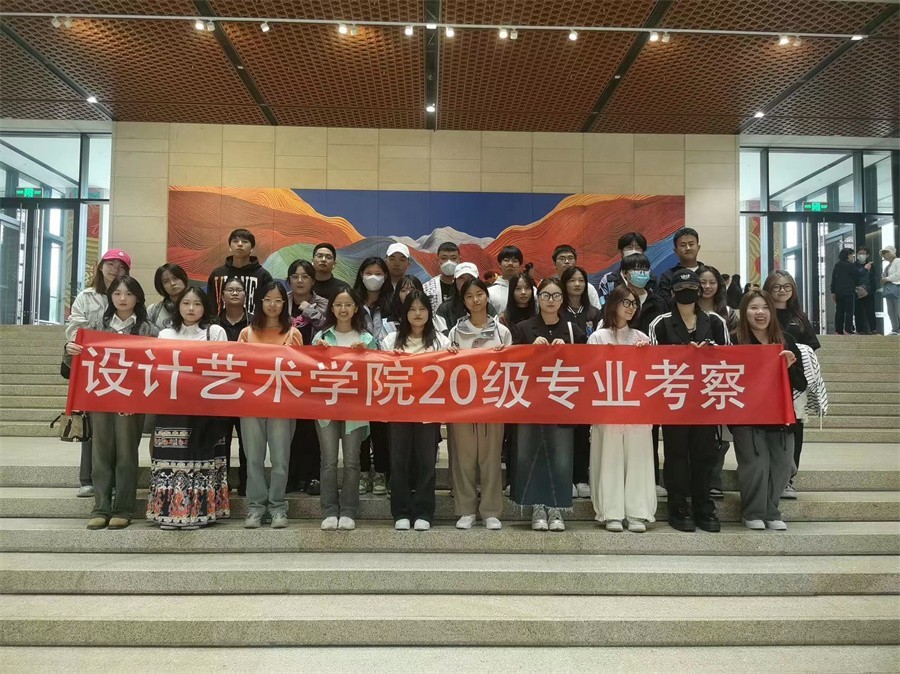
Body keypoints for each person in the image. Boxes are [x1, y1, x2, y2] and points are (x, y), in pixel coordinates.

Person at [64, 276, 158, 530]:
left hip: (132, 401)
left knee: (127, 454)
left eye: (128, 294)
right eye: (117, 293)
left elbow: (156, 368)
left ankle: (123, 508)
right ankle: (100, 507)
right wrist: (69, 350)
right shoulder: (97, 325)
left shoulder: (148, 329)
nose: (122, 298)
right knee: (100, 453)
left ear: (137, 298)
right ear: (110, 297)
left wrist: (141, 399)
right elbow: (74, 365)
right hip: (100, 397)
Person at [649, 269, 731, 533]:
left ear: (700, 291)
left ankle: (703, 505)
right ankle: (678, 506)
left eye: (692, 288)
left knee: (704, 455)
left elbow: (730, 358)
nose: (687, 293)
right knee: (675, 454)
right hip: (674, 401)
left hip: (706, 400)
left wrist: (709, 353)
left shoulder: (715, 321)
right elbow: (652, 360)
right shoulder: (660, 323)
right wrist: (682, 353)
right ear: (673, 292)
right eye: (681, 289)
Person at [147, 286, 230, 530]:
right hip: (172, 407)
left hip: (206, 407)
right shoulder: (165, 334)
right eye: (186, 303)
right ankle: (168, 514)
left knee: (201, 456)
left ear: (205, 307)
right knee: (170, 458)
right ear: (178, 306)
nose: (191, 308)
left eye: (197, 304)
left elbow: (224, 367)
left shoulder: (215, 332)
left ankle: (199, 513)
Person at [509, 277, 584, 532]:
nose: (551, 301)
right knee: (530, 454)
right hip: (530, 402)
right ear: (537, 298)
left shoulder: (574, 330)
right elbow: (511, 364)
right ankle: (537, 507)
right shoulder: (523, 328)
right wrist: (529, 350)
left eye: (556, 296)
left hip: (562, 402)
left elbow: (586, 365)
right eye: (545, 295)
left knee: (561, 457)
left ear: (563, 299)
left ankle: (556, 507)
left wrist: (570, 350)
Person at [731, 290, 807, 531]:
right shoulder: (734, 341)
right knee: (755, 465)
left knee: (782, 465)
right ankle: (752, 512)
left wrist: (790, 366)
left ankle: (771, 510)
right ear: (744, 312)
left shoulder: (786, 340)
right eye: (754, 308)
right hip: (747, 416)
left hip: (780, 416)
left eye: (765, 308)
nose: (760, 313)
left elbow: (801, 383)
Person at [587, 285, 657, 532]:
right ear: (613, 304)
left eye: (634, 304)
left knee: (638, 458)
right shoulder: (598, 337)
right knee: (609, 458)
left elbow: (652, 374)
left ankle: (637, 512)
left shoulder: (641, 338)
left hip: (636, 408)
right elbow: (590, 372)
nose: (630, 308)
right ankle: (612, 512)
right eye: (626, 302)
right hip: (608, 407)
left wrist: (645, 355)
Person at [381, 290, 450, 531]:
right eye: (412, 309)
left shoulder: (441, 342)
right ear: (404, 313)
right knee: (398, 461)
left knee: (426, 462)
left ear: (429, 312)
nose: (417, 314)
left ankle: (424, 511)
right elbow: (379, 372)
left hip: (428, 412)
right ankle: (401, 511)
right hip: (398, 410)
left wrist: (453, 357)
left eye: (422, 309)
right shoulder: (391, 341)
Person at [65, 248, 131, 499]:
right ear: (100, 266)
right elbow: (75, 328)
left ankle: (111, 479)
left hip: (120, 368)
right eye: (110, 264)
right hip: (91, 366)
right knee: (91, 422)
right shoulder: (86, 296)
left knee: (116, 426)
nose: (115, 269)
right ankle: (87, 478)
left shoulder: (128, 294)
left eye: (121, 266)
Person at [312, 287, 379, 531]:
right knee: (328, 461)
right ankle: (329, 510)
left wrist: (367, 355)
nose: (343, 309)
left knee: (352, 461)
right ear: (331, 308)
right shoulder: (321, 337)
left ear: (356, 308)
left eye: (348, 304)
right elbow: (308, 371)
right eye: (338, 304)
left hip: (355, 410)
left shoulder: (367, 339)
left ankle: (349, 510)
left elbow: (378, 372)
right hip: (326, 408)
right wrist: (316, 354)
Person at [448, 278, 512, 530]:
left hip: (492, 404)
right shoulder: (455, 332)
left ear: (487, 297)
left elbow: (512, 368)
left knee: (491, 459)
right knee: (463, 460)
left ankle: (490, 510)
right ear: (463, 301)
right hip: (461, 405)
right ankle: (466, 510)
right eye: (469, 296)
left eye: (479, 294)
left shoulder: (501, 332)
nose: (475, 300)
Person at [238, 281, 303, 529]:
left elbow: (301, 370)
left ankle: (277, 506)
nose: (273, 305)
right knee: (253, 458)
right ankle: (255, 507)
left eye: (278, 300)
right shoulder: (247, 333)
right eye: (268, 300)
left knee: (280, 459)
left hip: (282, 406)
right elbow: (238, 368)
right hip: (251, 404)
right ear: (260, 302)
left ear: (285, 304)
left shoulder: (292, 333)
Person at [763, 270, 821, 500]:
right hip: (765, 381)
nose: (782, 291)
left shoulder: (799, 317)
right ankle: (766, 473)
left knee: (794, 428)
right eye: (776, 286)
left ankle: (788, 478)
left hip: (795, 381)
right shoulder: (762, 312)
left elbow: (811, 348)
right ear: (768, 289)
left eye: (787, 286)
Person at [285, 259, 328, 495]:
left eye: (305, 276)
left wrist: (307, 309)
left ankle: (312, 477)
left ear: (312, 281)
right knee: (289, 428)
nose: (299, 281)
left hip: (314, 372)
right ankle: (291, 477)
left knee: (311, 429)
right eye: (295, 276)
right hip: (287, 372)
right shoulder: (282, 301)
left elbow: (326, 326)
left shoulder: (323, 303)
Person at [560, 265, 602, 499]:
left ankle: (581, 478)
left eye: (581, 280)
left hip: (588, 379)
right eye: (572, 280)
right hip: (563, 379)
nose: (577, 284)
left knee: (583, 431)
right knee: (565, 431)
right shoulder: (558, 311)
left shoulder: (595, 313)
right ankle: (566, 476)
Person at [697, 265, 738, 501]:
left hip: (720, 378)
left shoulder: (729, 313)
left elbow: (736, 345)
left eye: (712, 282)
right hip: (692, 380)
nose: (707, 286)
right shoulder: (685, 309)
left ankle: (714, 480)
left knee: (721, 436)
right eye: (702, 282)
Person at [353, 257, 392, 495]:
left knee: (380, 427)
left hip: (386, 375)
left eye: (378, 273)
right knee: (360, 425)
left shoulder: (392, 303)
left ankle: (381, 472)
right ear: (361, 275)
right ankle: (363, 471)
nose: (373, 278)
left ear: (385, 277)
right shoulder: (353, 301)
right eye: (369, 273)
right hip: (358, 374)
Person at [216, 277, 250, 495]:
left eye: (239, 290)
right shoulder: (213, 324)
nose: (235, 293)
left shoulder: (254, 323)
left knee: (247, 441)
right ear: (222, 295)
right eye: (230, 290)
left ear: (246, 295)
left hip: (247, 390)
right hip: (220, 390)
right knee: (222, 439)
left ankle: (246, 482)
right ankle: (222, 484)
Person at [207, 228, 273, 313]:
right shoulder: (217, 274)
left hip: (254, 321)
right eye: (235, 241)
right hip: (220, 321)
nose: (240, 244)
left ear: (252, 248)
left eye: (245, 241)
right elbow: (210, 303)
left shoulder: (263, 275)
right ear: (230, 247)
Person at [597, 232, 656, 302]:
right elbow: (604, 305)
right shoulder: (608, 280)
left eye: (638, 248)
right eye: (629, 247)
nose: (634, 251)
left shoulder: (651, 278)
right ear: (621, 252)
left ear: (643, 252)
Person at [438, 262, 497, 330]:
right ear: (455, 281)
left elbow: (496, 330)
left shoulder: (488, 307)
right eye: (461, 278)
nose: (466, 281)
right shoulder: (444, 309)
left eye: (471, 277)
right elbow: (441, 334)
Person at [657, 227, 706, 310]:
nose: (688, 248)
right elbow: (665, 303)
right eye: (683, 245)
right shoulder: (668, 276)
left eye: (691, 244)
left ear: (698, 247)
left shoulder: (708, 273)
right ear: (675, 250)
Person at [618, 253, 665, 335]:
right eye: (637, 268)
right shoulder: (616, 300)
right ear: (624, 273)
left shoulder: (657, 301)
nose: (642, 272)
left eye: (645, 269)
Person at [551, 244, 602, 309]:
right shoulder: (549, 287)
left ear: (575, 262)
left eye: (570, 258)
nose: (567, 262)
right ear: (554, 264)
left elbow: (597, 312)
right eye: (562, 259)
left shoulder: (588, 288)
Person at [422, 242, 461, 314]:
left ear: (459, 260)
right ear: (438, 260)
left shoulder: (467, 285)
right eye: (444, 258)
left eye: (453, 258)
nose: (449, 262)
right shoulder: (427, 289)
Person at [147, 263, 187, 331]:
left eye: (175, 278)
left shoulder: (198, 306)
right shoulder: (153, 310)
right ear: (162, 287)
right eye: (166, 281)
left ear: (183, 279)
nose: (172, 283)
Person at [487, 246, 524, 314]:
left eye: (514, 261)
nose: (510, 263)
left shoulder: (530, 290)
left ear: (520, 265)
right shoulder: (489, 292)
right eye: (506, 260)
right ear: (499, 264)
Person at [831, 248, 858, 334]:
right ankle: (847, 329)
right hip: (849, 291)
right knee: (849, 311)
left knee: (839, 311)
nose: (853, 257)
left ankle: (838, 330)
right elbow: (857, 276)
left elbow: (833, 279)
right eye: (852, 255)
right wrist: (865, 269)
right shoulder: (850, 265)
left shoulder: (837, 265)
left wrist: (833, 291)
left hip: (838, 292)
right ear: (847, 256)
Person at [854, 246, 878, 334]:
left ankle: (873, 329)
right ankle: (860, 330)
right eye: (859, 253)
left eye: (863, 253)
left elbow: (874, 279)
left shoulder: (871, 265)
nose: (861, 255)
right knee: (858, 311)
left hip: (869, 291)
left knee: (870, 311)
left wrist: (872, 290)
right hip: (857, 291)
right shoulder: (853, 265)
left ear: (867, 255)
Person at [880, 245, 900, 335]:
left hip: (897, 288)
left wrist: (887, 278)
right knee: (891, 311)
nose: (884, 255)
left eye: (885, 253)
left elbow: (898, 274)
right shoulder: (888, 266)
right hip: (889, 289)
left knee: (898, 310)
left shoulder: (898, 261)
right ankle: (895, 329)